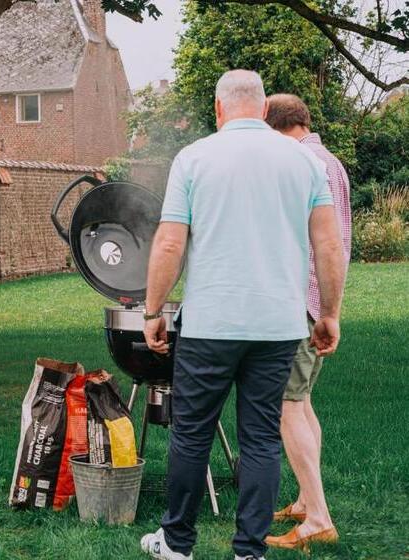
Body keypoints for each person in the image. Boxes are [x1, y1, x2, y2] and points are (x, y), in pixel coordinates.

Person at [138, 70, 346, 560]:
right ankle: (249, 551)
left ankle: (177, 544)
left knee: (192, 435)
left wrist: (152, 311)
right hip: (279, 326)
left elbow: (169, 244)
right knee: (261, 439)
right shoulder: (304, 161)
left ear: (218, 108)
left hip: (210, 325)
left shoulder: (193, 158)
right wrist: (329, 313)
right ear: (263, 107)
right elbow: (328, 243)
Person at [262, 93, 351, 550]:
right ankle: (303, 501)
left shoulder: (301, 163)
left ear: (274, 128)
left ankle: (317, 518)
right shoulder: (329, 160)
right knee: (303, 401)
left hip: (300, 299)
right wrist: (331, 309)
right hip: (320, 299)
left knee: (286, 406)